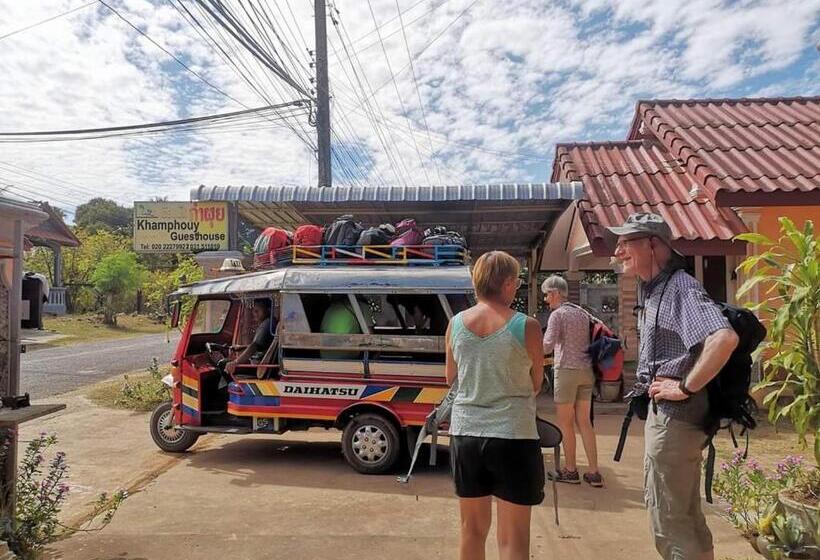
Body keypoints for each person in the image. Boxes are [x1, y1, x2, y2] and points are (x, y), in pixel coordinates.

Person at [609, 213, 738, 560]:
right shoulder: (654, 290)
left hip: (675, 420)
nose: (618, 249)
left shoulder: (681, 287)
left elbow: (723, 338)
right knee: (685, 516)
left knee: (669, 522)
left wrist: (684, 386)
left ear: (653, 244)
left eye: (626, 241)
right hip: (672, 419)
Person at [445, 251, 544, 560]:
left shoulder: (456, 324)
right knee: (513, 540)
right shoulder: (527, 326)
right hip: (514, 436)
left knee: (471, 531)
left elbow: (452, 378)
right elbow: (536, 382)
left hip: (466, 436)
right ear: (508, 283)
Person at [541, 275, 603, 488]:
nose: (546, 299)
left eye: (547, 294)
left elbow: (546, 347)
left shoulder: (557, 316)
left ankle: (571, 471)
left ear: (555, 293)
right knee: (585, 422)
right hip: (587, 373)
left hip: (566, 371)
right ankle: (594, 473)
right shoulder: (581, 313)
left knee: (566, 424)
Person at [226, 298, 274, 375]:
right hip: (260, 363)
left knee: (223, 363)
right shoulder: (270, 322)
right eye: (254, 310)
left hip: (259, 366)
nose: (254, 313)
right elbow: (261, 345)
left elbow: (254, 346)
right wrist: (242, 347)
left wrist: (235, 362)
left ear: (268, 310)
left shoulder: (267, 324)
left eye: (258, 310)